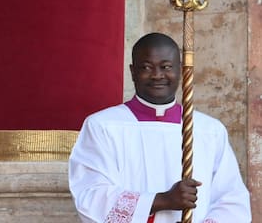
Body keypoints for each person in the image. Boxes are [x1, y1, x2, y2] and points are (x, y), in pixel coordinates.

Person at [68, 32, 251, 223]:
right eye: (147, 67)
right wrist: (162, 200)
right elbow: (90, 195)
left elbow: (232, 201)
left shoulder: (209, 130)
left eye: (166, 67)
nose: (157, 75)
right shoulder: (102, 126)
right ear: (132, 71)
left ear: (181, 71)